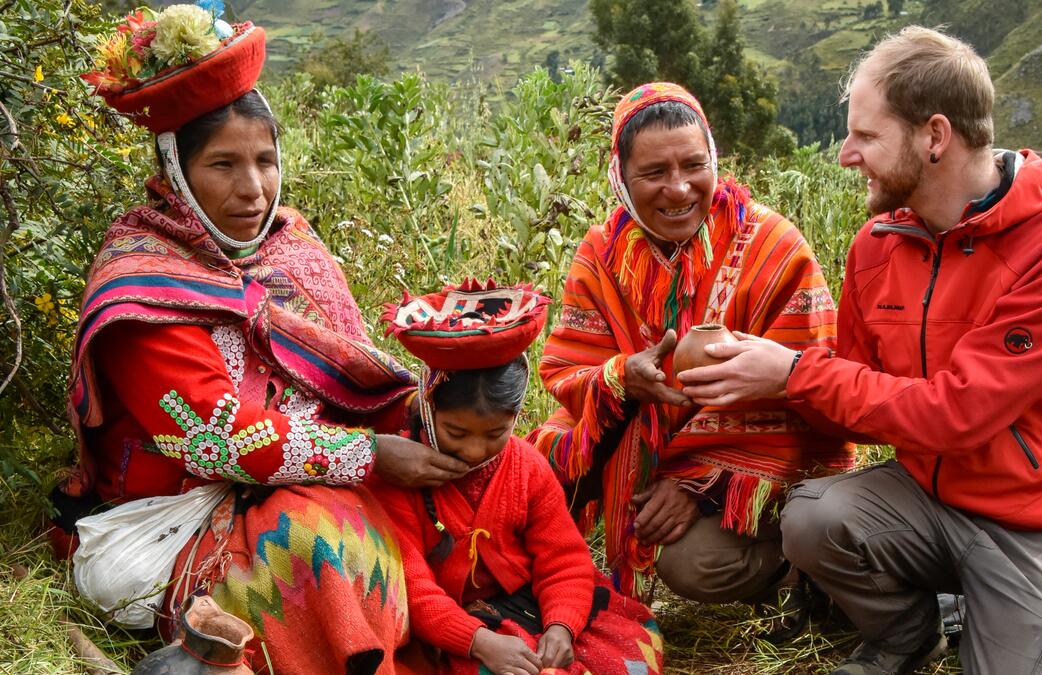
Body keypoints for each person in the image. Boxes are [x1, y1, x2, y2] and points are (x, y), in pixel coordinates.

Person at [678, 26, 1042, 675]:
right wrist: (764, 375)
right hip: (927, 501)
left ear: (933, 136)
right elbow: (854, 404)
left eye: (866, 136)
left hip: (1040, 527)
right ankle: (909, 635)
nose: (845, 154)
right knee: (815, 518)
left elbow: (960, 411)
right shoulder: (878, 245)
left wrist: (794, 372)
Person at [54, 7, 466, 673]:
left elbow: (350, 369)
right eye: (223, 164)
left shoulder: (289, 245)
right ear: (176, 171)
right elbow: (213, 435)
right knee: (310, 544)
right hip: (175, 517)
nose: (253, 189)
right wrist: (367, 454)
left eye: (266, 160)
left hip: (303, 478)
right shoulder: (140, 286)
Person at [527, 82, 854, 603]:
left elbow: (816, 390)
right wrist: (621, 377)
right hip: (634, 433)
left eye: (693, 166)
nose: (678, 190)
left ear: (714, 161)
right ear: (621, 179)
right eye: (654, 173)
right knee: (533, 469)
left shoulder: (775, 248)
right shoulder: (600, 254)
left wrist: (702, 487)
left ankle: (803, 574)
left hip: (749, 460)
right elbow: (571, 369)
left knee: (694, 565)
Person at [372, 280, 663, 675]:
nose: (475, 451)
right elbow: (413, 588)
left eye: (495, 434)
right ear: (427, 407)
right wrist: (478, 642)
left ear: (515, 417)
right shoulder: (400, 478)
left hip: (529, 604)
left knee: (629, 656)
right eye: (456, 433)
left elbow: (562, 558)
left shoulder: (526, 466)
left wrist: (561, 625)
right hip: (453, 625)